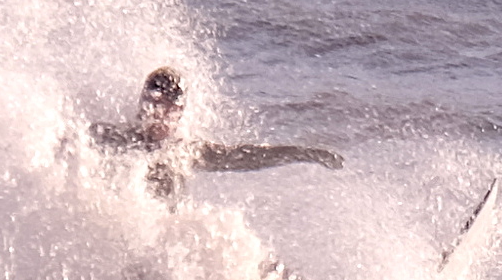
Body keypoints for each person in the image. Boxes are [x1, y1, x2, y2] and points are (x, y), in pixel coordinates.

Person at [90, 68, 343, 205]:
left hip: (166, 245)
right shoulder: (114, 137)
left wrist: (304, 153)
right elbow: (61, 138)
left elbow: (249, 156)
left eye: (168, 108)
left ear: (179, 112)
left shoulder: (185, 152)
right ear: (142, 102)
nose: (157, 114)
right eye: (152, 103)